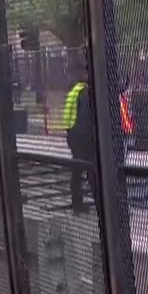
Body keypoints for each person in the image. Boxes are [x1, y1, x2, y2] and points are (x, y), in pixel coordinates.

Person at [62, 80, 97, 213]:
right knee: (92, 170)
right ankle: (99, 201)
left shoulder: (74, 92)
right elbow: (86, 118)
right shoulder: (86, 95)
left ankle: (77, 203)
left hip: (73, 136)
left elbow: (69, 117)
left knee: (77, 171)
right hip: (84, 137)